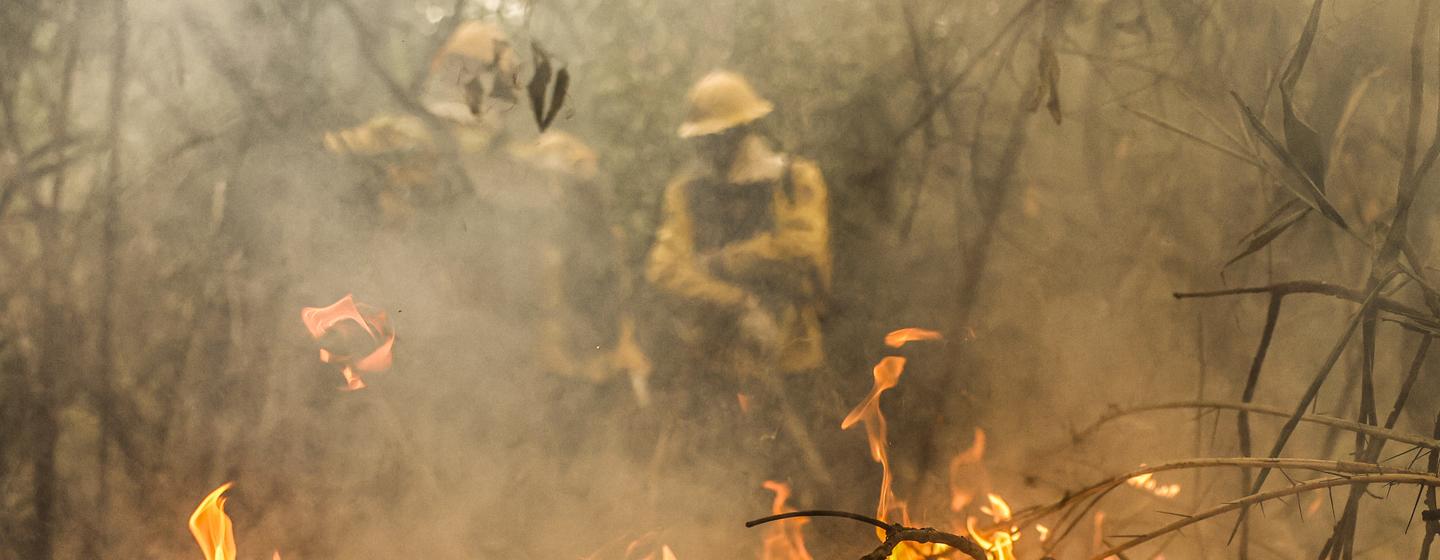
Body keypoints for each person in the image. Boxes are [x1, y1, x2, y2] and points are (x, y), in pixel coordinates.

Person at [645, 70, 832, 483]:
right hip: (715, 357)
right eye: (704, 138)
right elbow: (665, 267)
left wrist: (724, 262)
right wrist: (737, 301)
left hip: (791, 353)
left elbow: (802, 246)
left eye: (720, 136)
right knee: (726, 477)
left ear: (744, 130)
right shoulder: (686, 191)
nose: (711, 147)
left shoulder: (792, 179)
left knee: (802, 475)